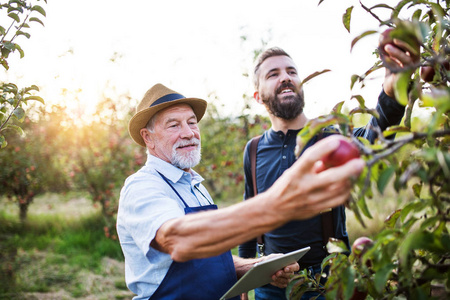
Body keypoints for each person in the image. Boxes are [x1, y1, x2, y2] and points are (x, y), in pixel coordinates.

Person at [116, 83, 365, 300]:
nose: (189, 133)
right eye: (174, 125)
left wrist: (258, 266)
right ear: (148, 138)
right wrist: (275, 205)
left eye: (192, 122)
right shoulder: (143, 187)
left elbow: (207, 261)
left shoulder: (194, 186)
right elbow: (178, 241)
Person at [238, 38, 419, 299]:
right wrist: (245, 281)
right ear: (258, 96)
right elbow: (249, 216)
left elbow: (373, 139)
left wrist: (390, 95)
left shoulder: (329, 139)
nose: (285, 78)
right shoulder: (252, 150)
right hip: (270, 284)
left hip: (326, 281)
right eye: (273, 74)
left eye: (291, 72)